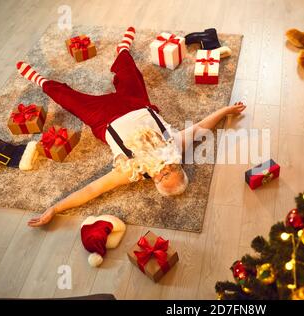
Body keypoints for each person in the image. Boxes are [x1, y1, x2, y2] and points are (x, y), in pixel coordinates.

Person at [16, 27, 246, 227]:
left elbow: (92, 190)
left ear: (155, 182)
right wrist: (226, 110)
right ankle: (123, 48)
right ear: (178, 167)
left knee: (68, 99)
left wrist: (55, 209)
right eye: (171, 172)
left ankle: (40, 80)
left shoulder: (131, 171)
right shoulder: (175, 147)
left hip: (104, 118)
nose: (162, 170)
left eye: (161, 177)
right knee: (129, 71)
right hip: (137, 104)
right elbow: (202, 126)